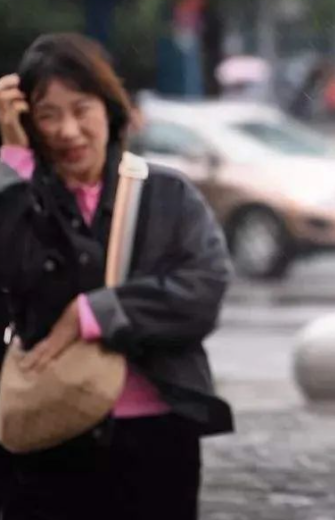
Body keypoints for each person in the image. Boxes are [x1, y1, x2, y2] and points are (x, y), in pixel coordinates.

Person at [0, 33, 234, 520]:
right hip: (46, 432)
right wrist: (14, 167)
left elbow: (202, 290)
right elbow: (21, 286)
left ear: (109, 109)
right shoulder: (18, 200)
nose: (67, 130)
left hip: (154, 435)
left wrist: (93, 312)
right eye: (47, 114)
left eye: (81, 109)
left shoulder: (167, 195)